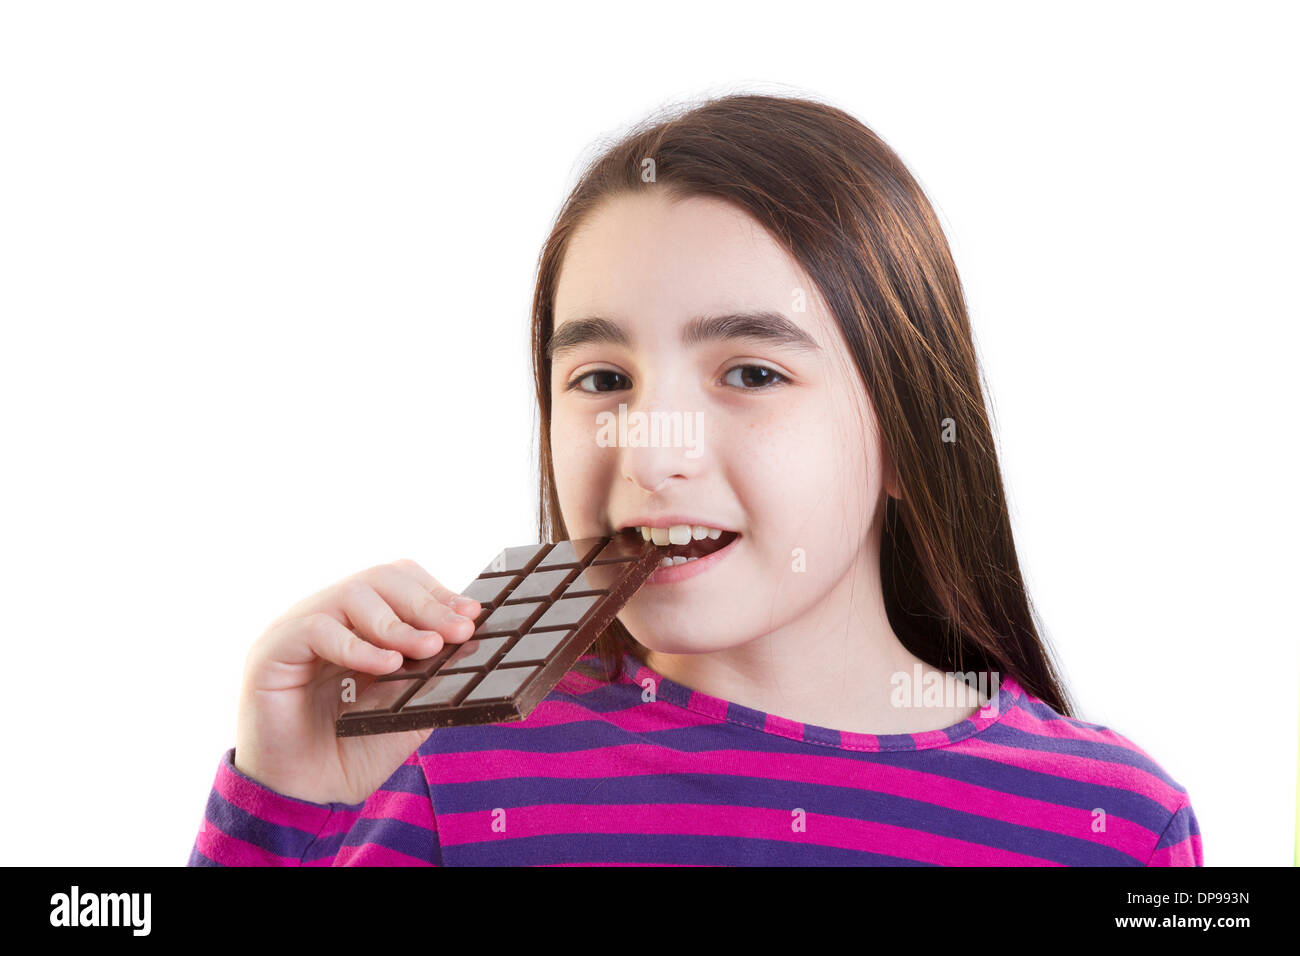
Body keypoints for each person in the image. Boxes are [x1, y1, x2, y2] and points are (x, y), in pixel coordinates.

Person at [188, 93, 1202, 866]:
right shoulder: (444, 770)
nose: (649, 447)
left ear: (906, 432)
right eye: (600, 378)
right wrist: (287, 800)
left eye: (751, 372)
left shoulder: (1113, 821)